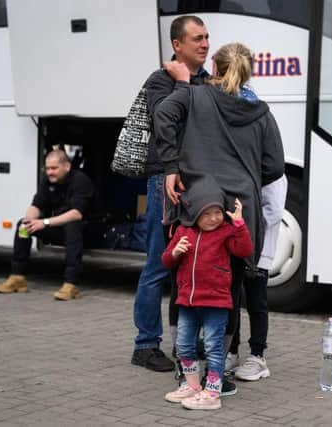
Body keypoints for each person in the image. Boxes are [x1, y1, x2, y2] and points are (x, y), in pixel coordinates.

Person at [154, 41, 285, 386]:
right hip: (241, 212)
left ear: (215, 64)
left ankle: (190, 368)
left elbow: (163, 115)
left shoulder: (194, 96)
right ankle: (220, 371)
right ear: (249, 72)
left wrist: (172, 165)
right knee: (230, 289)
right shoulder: (261, 112)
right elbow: (274, 166)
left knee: (186, 281)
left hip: (199, 204)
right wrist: (247, 177)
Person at [130, 15, 210, 372]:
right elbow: (164, 120)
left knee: (188, 265)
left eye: (207, 37)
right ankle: (145, 346)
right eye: (197, 38)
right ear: (177, 45)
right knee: (157, 265)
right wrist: (182, 84)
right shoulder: (161, 80)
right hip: (166, 181)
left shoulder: (208, 81)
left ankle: (184, 344)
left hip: (195, 183)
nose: (205, 44)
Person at [162, 177, 253, 410]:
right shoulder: (183, 230)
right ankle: (192, 386)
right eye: (207, 214)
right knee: (183, 345)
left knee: (213, 347)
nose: (214, 218)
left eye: (217, 212)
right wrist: (175, 253)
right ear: (194, 213)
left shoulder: (225, 232)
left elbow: (244, 250)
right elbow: (166, 261)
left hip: (215, 302)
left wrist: (240, 224)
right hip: (188, 302)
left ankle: (212, 393)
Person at [0, 149, 94, 301]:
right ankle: (17, 277)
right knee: (23, 224)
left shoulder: (80, 180)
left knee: (72, 225)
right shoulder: (47, 181)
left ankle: (71, 284)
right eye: (47, 168)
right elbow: (37, 205)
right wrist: (29, 220)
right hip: (60, 227)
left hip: (89, 231)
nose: (49, 172)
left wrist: (44, 222)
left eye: (54, 168)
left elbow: (76, 214)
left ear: (66, 166)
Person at [226, 174, 287, 381]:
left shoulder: (274, 174)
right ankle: (231, 352)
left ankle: (257, 356)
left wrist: (247, 223)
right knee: (231, 301)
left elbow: (275, 210)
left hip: (259, 250)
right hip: (238, 244)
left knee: (256, 302)